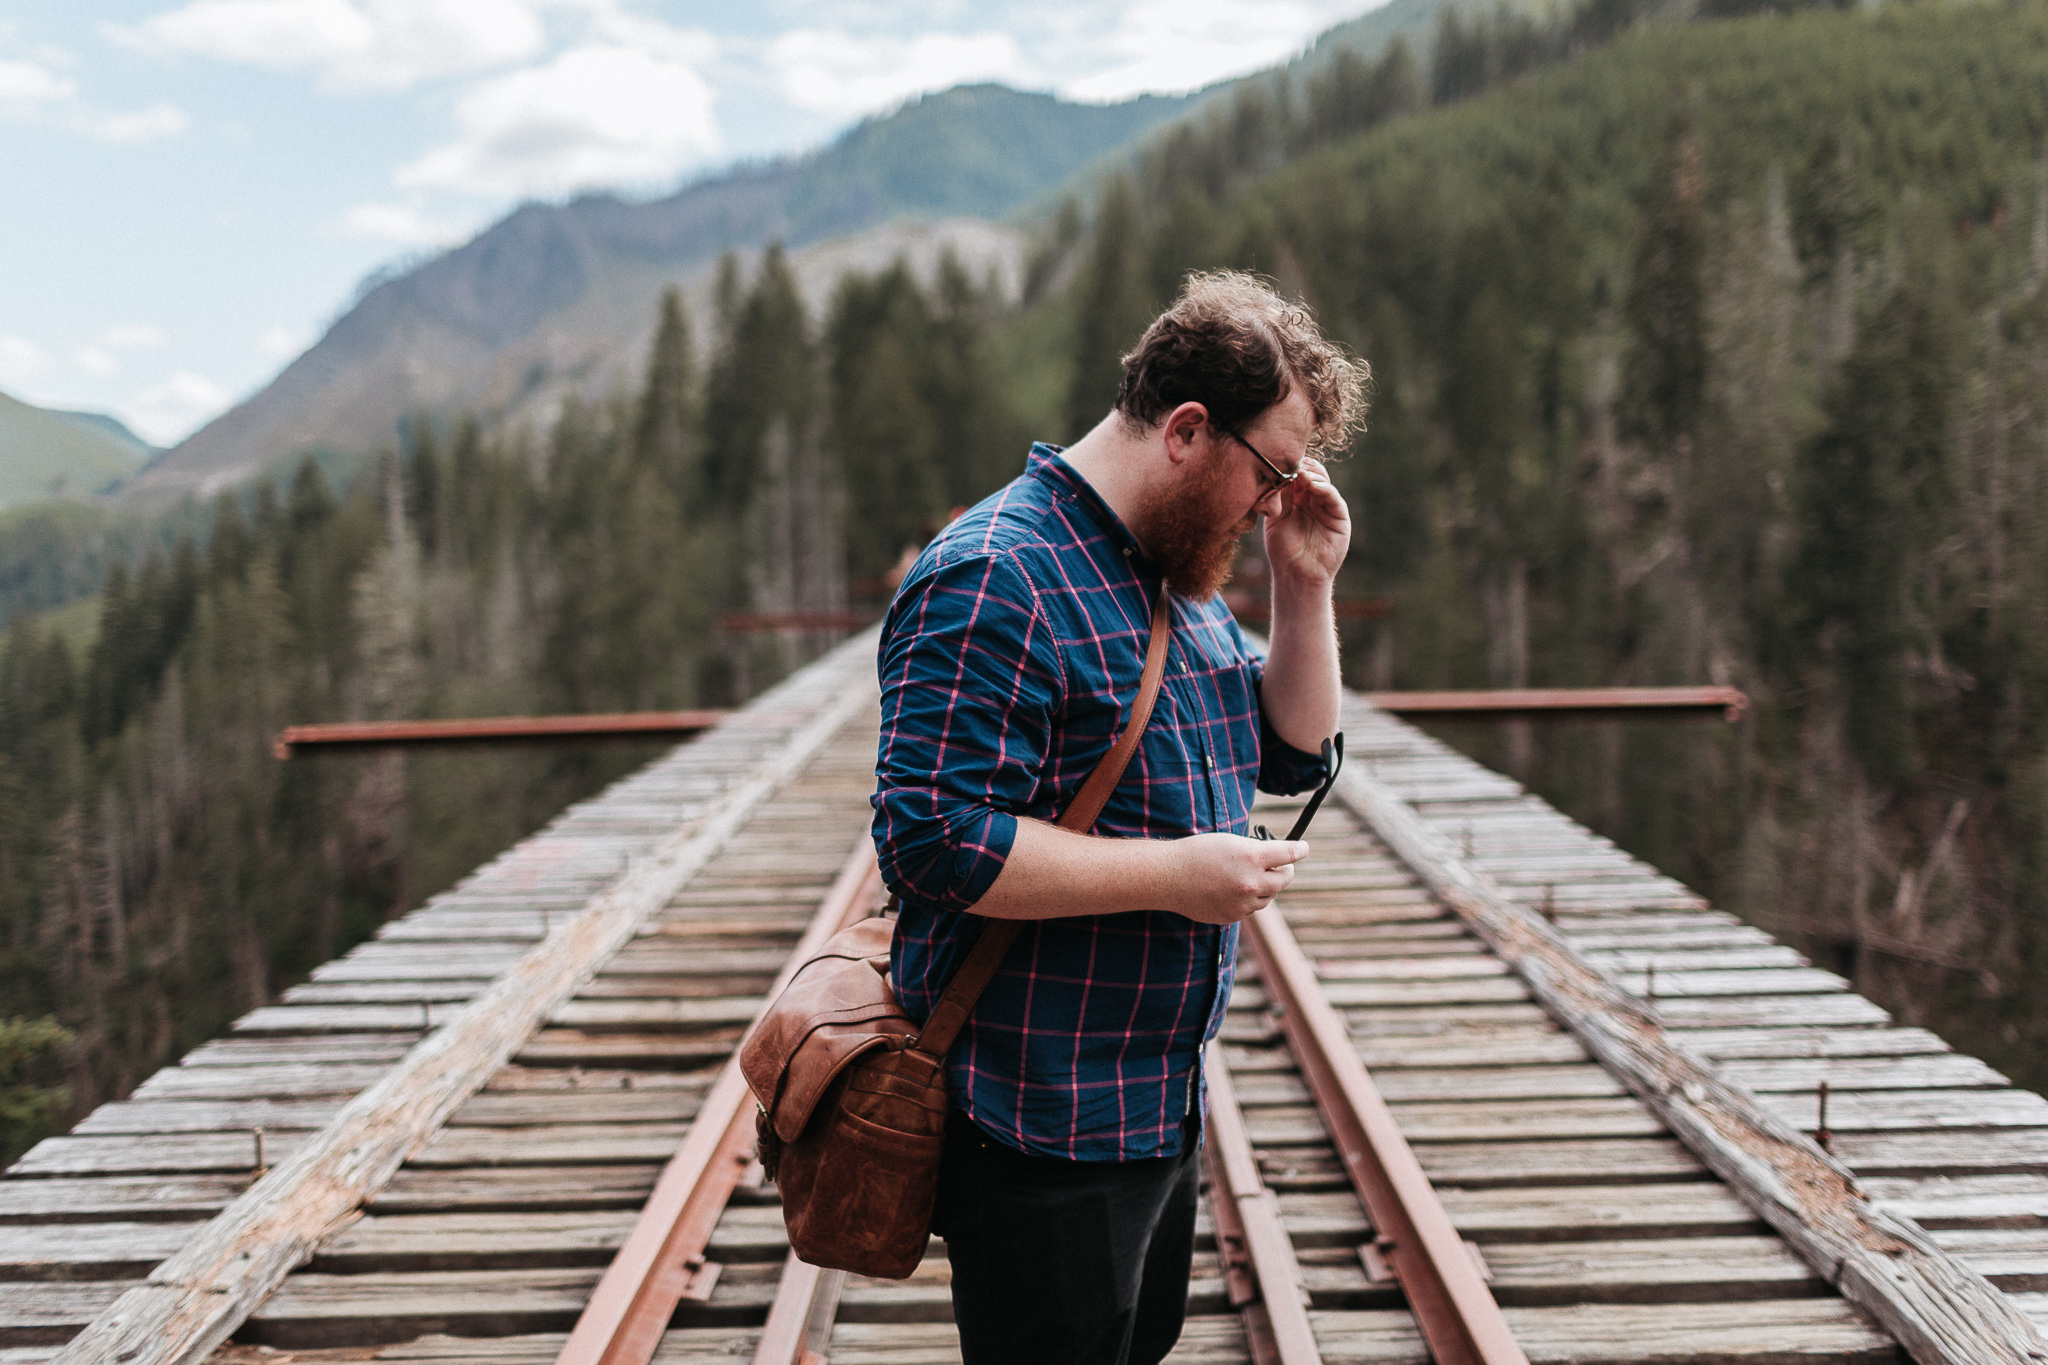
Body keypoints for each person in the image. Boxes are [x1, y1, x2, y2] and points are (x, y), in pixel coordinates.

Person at [870, 270, 1367, 1365]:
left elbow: (1286, 752)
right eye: (1270, 470)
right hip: (1037, 1121)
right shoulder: (997, 576)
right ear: (1187, 429)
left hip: (1150, 1105)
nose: (1272, 499)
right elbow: (932, 839)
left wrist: (1302, 586)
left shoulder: (1165, 576)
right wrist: (1171, 875)